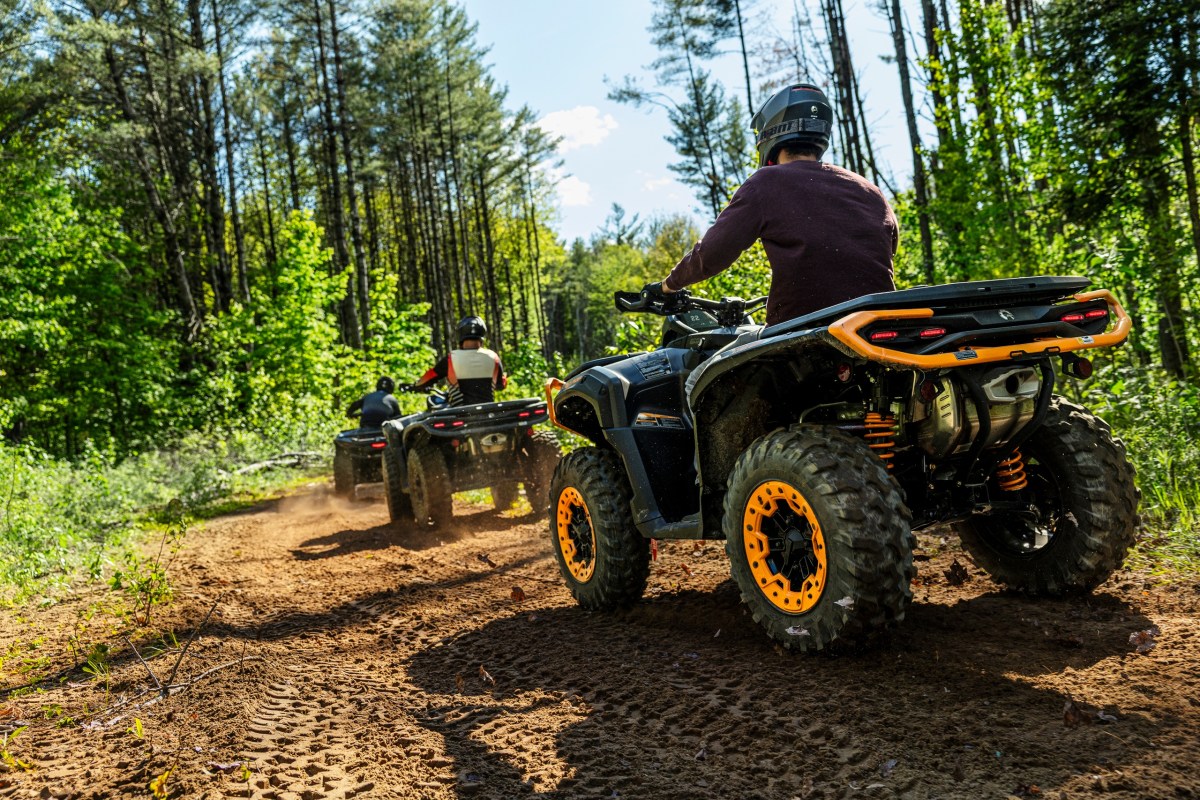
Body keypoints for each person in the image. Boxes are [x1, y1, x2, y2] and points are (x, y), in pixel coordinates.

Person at [645, 83, 898, 326]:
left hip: (803, 334)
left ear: (771, 134)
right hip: (878, 328)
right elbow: (886, 250)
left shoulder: (766, 183)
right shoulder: (870, 190)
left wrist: (669, 285)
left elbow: (712, 253)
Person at [410, 316, 507, 406]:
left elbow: (429, 377)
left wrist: (416, 386)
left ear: (460, 335)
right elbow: (501, 385)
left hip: (460, 413)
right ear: (482, 334)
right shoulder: (493, 357)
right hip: (487, 412)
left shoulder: (451, 358)